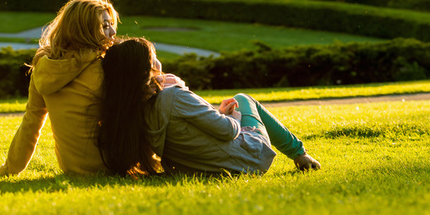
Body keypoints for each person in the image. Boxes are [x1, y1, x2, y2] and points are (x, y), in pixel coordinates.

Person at [97, 37, 321, 177]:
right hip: (247, 162)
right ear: (144, 69)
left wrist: (219, 114)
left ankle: (299, 153)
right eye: (153, 58)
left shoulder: (133, 111)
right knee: (244, 99)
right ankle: (300, 154)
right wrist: (235, 117)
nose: (158, 62)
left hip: (199, 169)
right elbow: (228, 131)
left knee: (234, 106)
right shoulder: (172, 96)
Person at [0, 0, 120, 176]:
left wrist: (8, 170)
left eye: (111, 25)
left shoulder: (43, 68)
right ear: (85, 30)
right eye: (105, 26)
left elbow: (31, 123)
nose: (113, 32)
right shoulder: (104, 67)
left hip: (73, 167)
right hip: (114, 164)